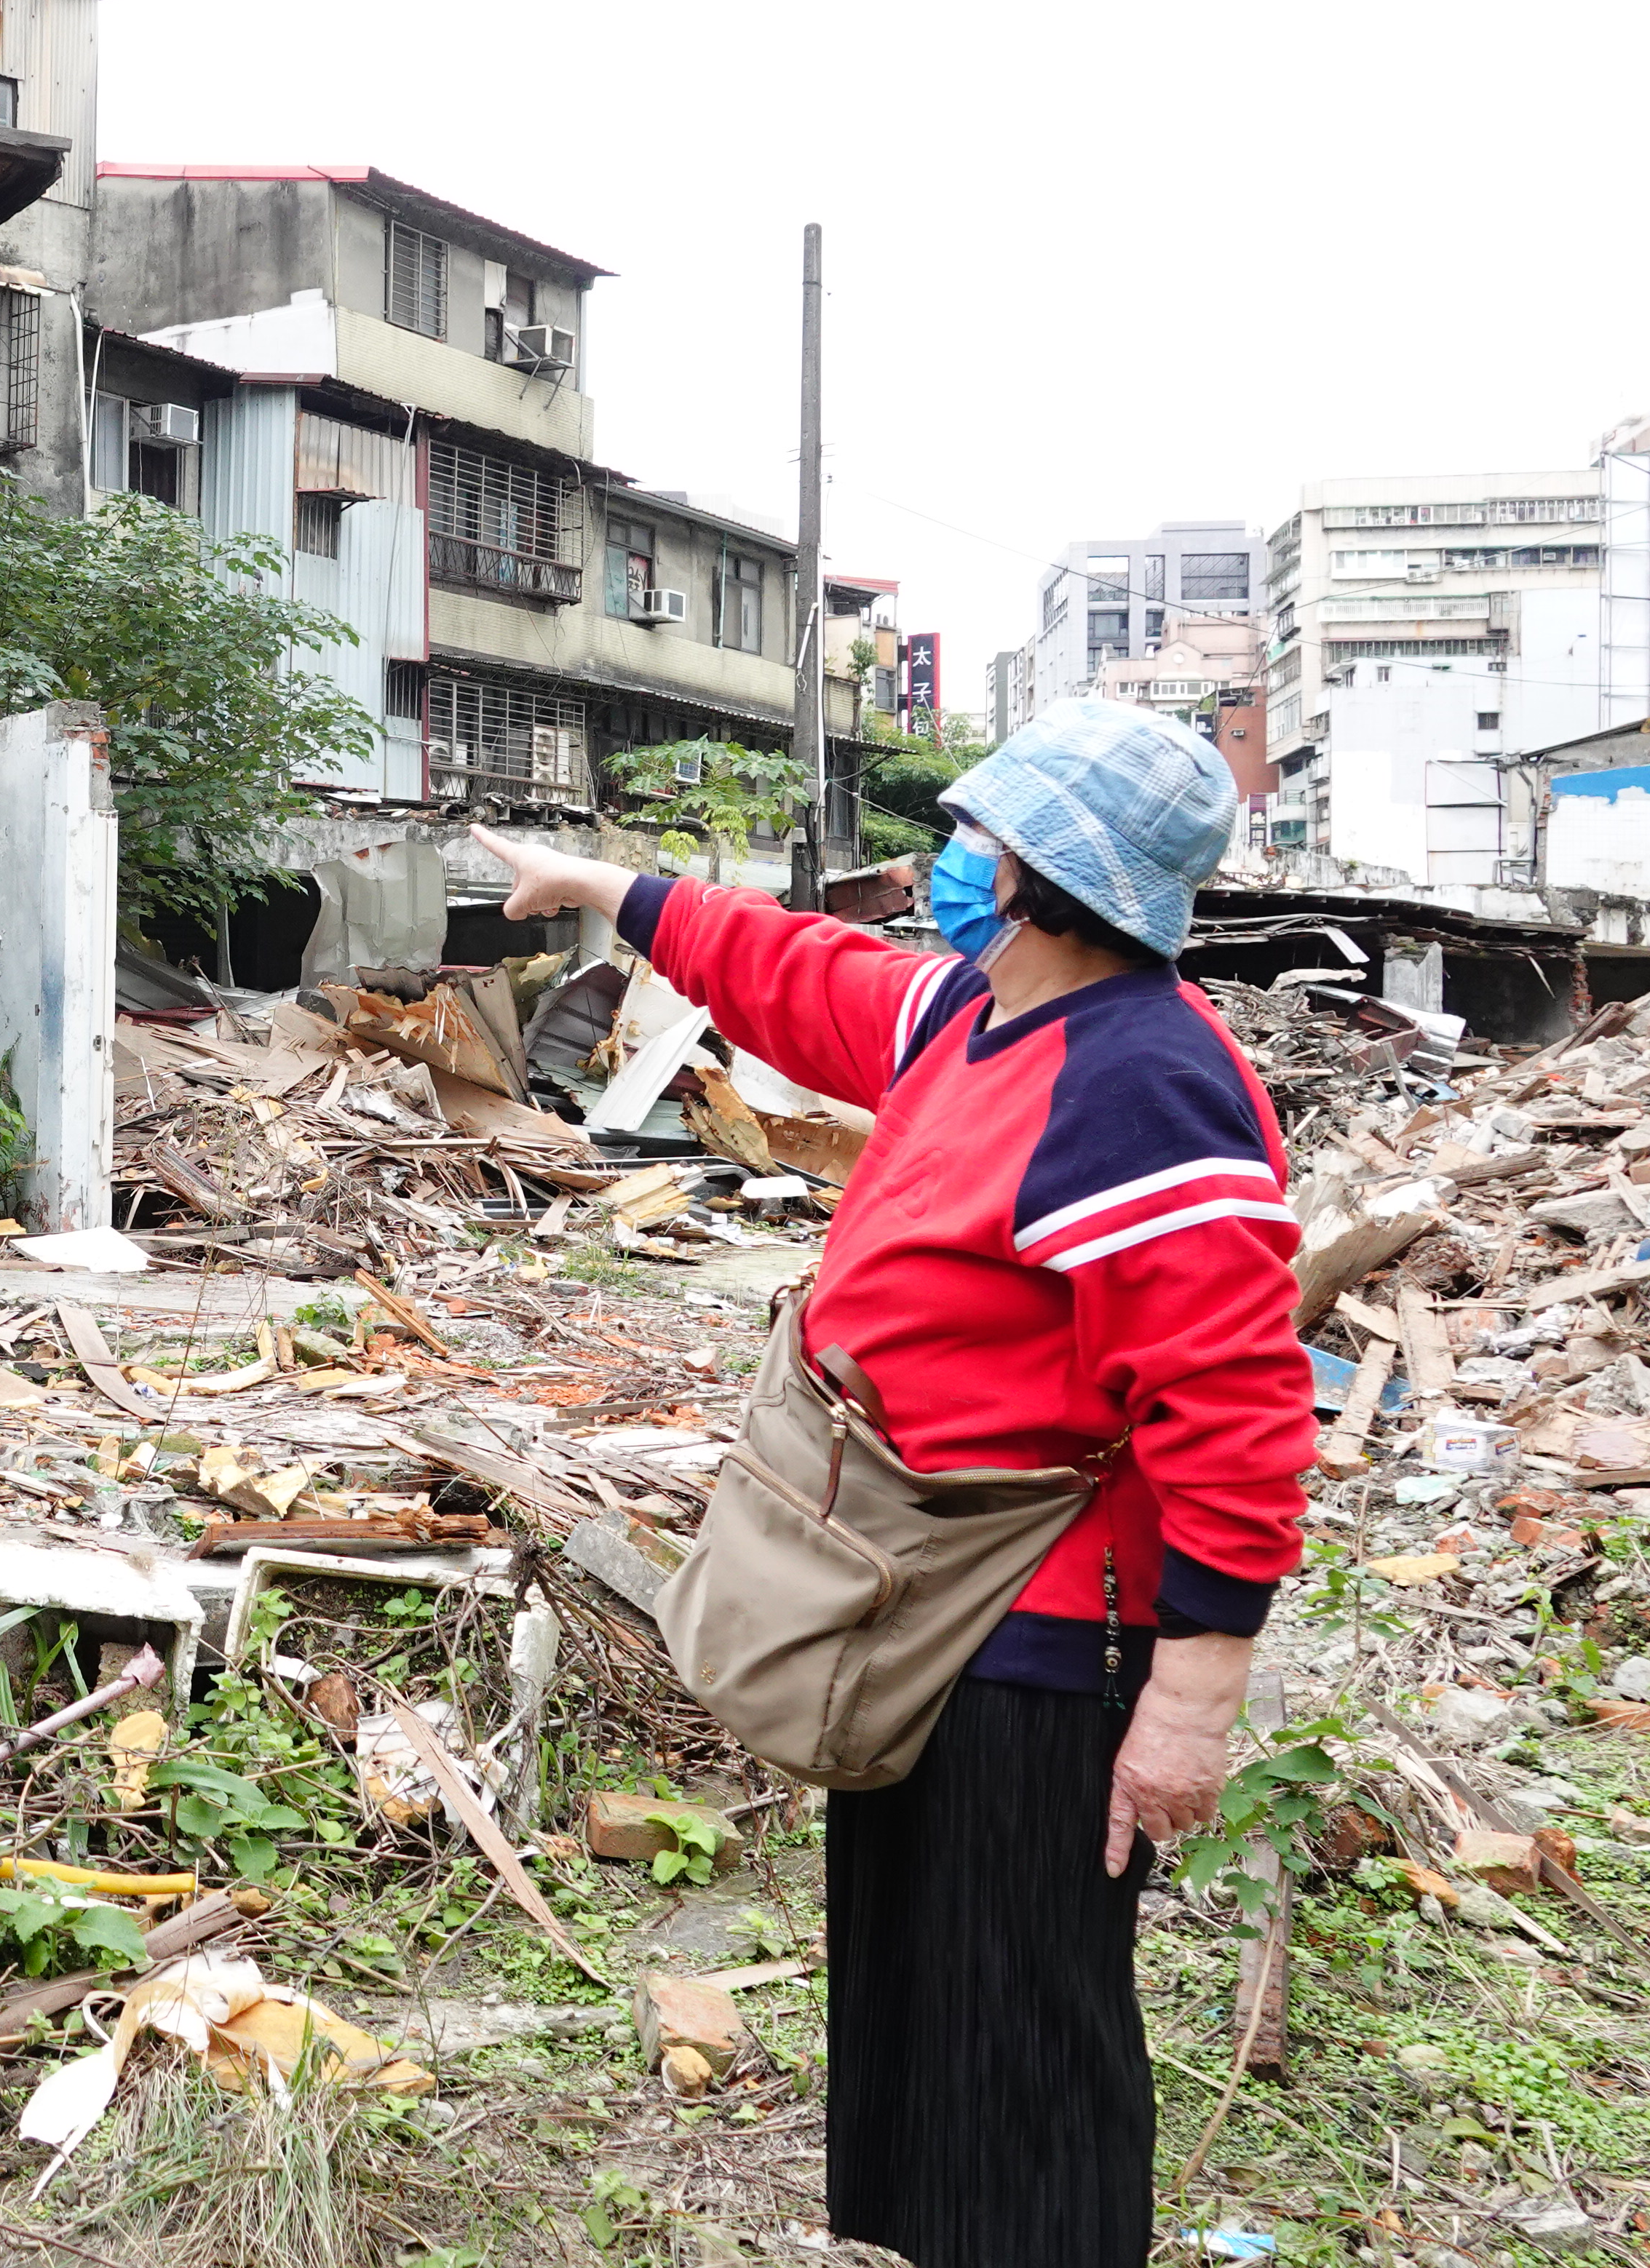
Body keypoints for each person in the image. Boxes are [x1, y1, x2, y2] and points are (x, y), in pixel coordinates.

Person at [474, 700, 1315, 2268]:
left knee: (1018, 2047)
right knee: (913, 2021)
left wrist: (1196, 1696)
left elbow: (1236, 1399)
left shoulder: (1142, 1080)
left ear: (1046, 876)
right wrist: (604, 886)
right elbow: (811, 978)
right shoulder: (979, 1014)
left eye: (976, 837)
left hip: (1042, 1635)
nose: (951, 860)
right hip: (911, 1604)